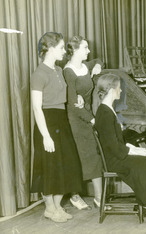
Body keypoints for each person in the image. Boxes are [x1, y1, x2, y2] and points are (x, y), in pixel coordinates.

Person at [93, 73, 146, 223]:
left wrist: (133, 148)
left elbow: (114, 142)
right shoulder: (105, 113)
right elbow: (112, 146)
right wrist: (134, 151)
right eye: (119, 88)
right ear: (112, 90)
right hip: (115, 160)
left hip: (117, 155)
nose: (120, 91)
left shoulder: (106, 109)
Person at [31, 32, 82, 223]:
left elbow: (63, 96)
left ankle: (58, 206)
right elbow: (37, 107)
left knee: (67, 165)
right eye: (61, 48)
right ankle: (50, 209)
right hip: (47, 123)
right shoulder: (39, 73)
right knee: (50, 168)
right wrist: (46, 135)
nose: (64, 51)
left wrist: (79, 98)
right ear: (51, 49)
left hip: (62, 121)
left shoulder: (59, 71)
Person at [63, 35, 104, 210]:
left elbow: (99, 59)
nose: (88, 51)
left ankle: (98, 198)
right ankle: (75, 195)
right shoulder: (68, 72)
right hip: (76, 119)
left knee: (93, 157)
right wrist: (92, 119)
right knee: (81, 158)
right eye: (85, 48)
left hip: (87, 114)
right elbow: (73, 106)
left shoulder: (84, 66)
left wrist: (97, 65)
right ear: (76, 50)